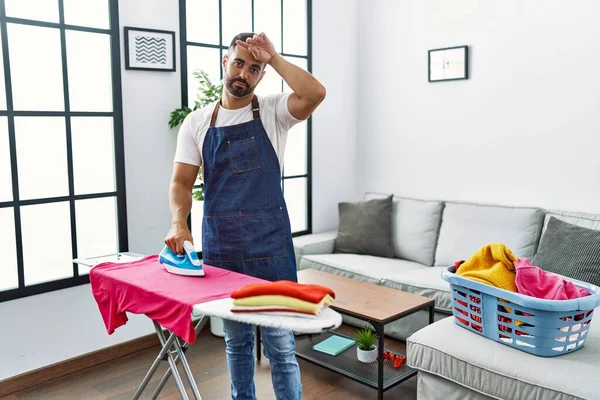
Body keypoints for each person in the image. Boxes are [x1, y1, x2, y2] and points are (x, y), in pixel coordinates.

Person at [164, 32, 326, 400]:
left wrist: (274, 57)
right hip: (224, 248)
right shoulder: (197, 122)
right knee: (236, 345)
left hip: (270, 247)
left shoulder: (273, 112)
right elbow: (181, 182)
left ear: (262, 75)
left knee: (281, 347)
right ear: (225, 62)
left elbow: (315, 94)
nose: (244, 73)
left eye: (254, 68)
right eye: (239, 63)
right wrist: (179, 221)